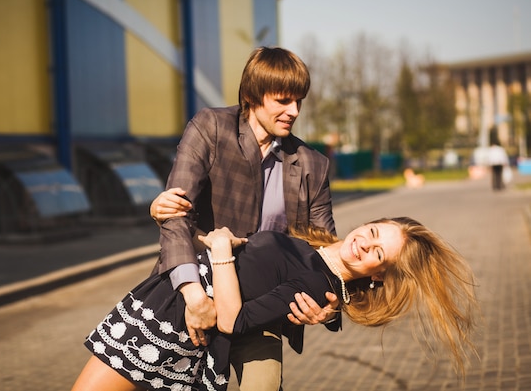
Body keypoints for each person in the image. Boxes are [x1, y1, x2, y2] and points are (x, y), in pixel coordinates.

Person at [71, 217, 479, 391]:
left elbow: (233, 320)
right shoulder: (312, 252)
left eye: (377, 253)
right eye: (373, 231)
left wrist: (220, 251)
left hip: (176, 328)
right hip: (167, 301)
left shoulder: (320, 285)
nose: (365, 242)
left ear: (378, 274)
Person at [148, 46, 338, 390]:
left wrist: (330, 306)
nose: (293, 111)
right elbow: (176, 215)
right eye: (283, 100)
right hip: (197, 295)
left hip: (259, 312)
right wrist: (194, 298)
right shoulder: (211, 128)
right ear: (252, 95)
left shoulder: (313, 164)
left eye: (299, 101)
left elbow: (325, 252)